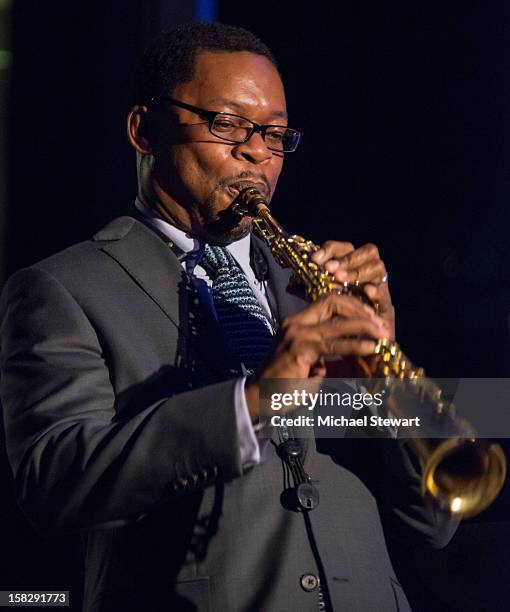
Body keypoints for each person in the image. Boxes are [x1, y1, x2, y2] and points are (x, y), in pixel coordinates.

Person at [0, 22, 456, 612]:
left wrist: (388, 374)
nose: (257, 151)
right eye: (228, 125)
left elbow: (433, 523)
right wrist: (253, 402)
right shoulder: (61, 287)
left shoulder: (318, 288)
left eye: (273, 133)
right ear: (144, 129)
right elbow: (54, 484)